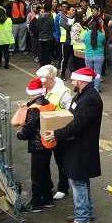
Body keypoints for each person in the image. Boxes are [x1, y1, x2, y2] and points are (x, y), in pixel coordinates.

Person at [43, 67, 103, 223]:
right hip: (77, 145)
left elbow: (77, 124)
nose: (72, 82)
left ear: (83, 81)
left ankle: (82, 218)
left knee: (78, 182)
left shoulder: (89, 98)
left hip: (81, 147)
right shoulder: (83, 95)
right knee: (81, 180)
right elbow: (71, 115)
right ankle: (85, 212)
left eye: (75, 80)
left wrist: (56, 134)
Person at [16, 77, 57, 212]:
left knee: (37, 174)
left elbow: (29, 127)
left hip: (37, 144)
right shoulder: (47, 103)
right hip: (48, 142)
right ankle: (48, 198)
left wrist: (20, 135)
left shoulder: (34, 108)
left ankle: (36, 202)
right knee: (44, 171)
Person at [36, 65, 72, 200]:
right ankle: (47, 186)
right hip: (45, 130)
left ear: (52, 78)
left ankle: (63, 187)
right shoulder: (43, 88)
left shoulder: (63, 92)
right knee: (44, 161)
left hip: (58, 131)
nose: (42, 82)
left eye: (44, 79)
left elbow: (69, 113)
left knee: (61, 161)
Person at [83, 19, 106, 92]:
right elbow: (104, 42)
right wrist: (102, 27)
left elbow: (83, 41)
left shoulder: (86, 34)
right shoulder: (101, 35)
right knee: (97, 73)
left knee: (89, 73)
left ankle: (89, 88)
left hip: (88, 56)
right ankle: (96, 88)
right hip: (99, 56)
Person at [59, 4, 77, 79]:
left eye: (74, 10)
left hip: (75, 42)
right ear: (68, 11)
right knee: (65, 58)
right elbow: (66, 26)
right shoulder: (63, 18)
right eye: (72, 10)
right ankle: (62, 73)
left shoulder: (76, 18)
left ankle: (73, 72)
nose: (74, 12)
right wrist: (74, 26)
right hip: (66, 41)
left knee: (74, 58)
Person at [37, 2, 56, 67]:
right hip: (48, 37)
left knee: (41, 53)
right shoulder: (50, 17)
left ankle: (41, 65)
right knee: (47, 53)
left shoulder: (40, 16)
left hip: (40, 37)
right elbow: (53, 27)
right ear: (50, 8)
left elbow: (37, 26)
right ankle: (46, 65)